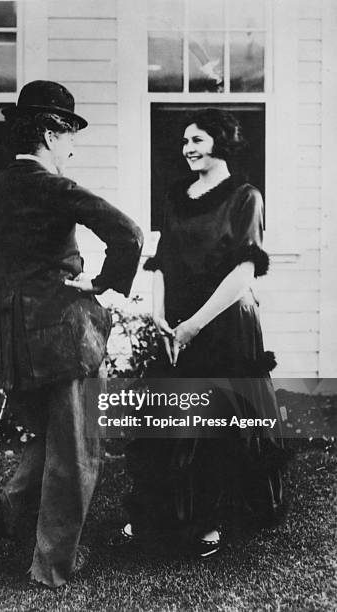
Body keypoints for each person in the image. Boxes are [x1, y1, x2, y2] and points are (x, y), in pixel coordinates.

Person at [0, 80, 143, 588]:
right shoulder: (55, 186)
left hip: (11, 347)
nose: (72, 147)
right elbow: (128, 233)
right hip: (65, 341)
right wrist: (103, 283)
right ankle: (52, 567)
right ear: (48, 131)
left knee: (47, 443)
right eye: (69, 136)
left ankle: (1, 513)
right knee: (77, 452)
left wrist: (6, 328)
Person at [120, 108, 287, 557]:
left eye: (197, 140)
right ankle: (158, 513)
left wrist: (196, 324)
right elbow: (161, 259)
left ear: (221, 142)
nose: (187, 149)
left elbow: (245, 270)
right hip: (177, 323)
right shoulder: (176, 195)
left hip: (225, 323)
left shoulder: (246, 197)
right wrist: (159, 313)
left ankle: (209, 519)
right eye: (184, 142)